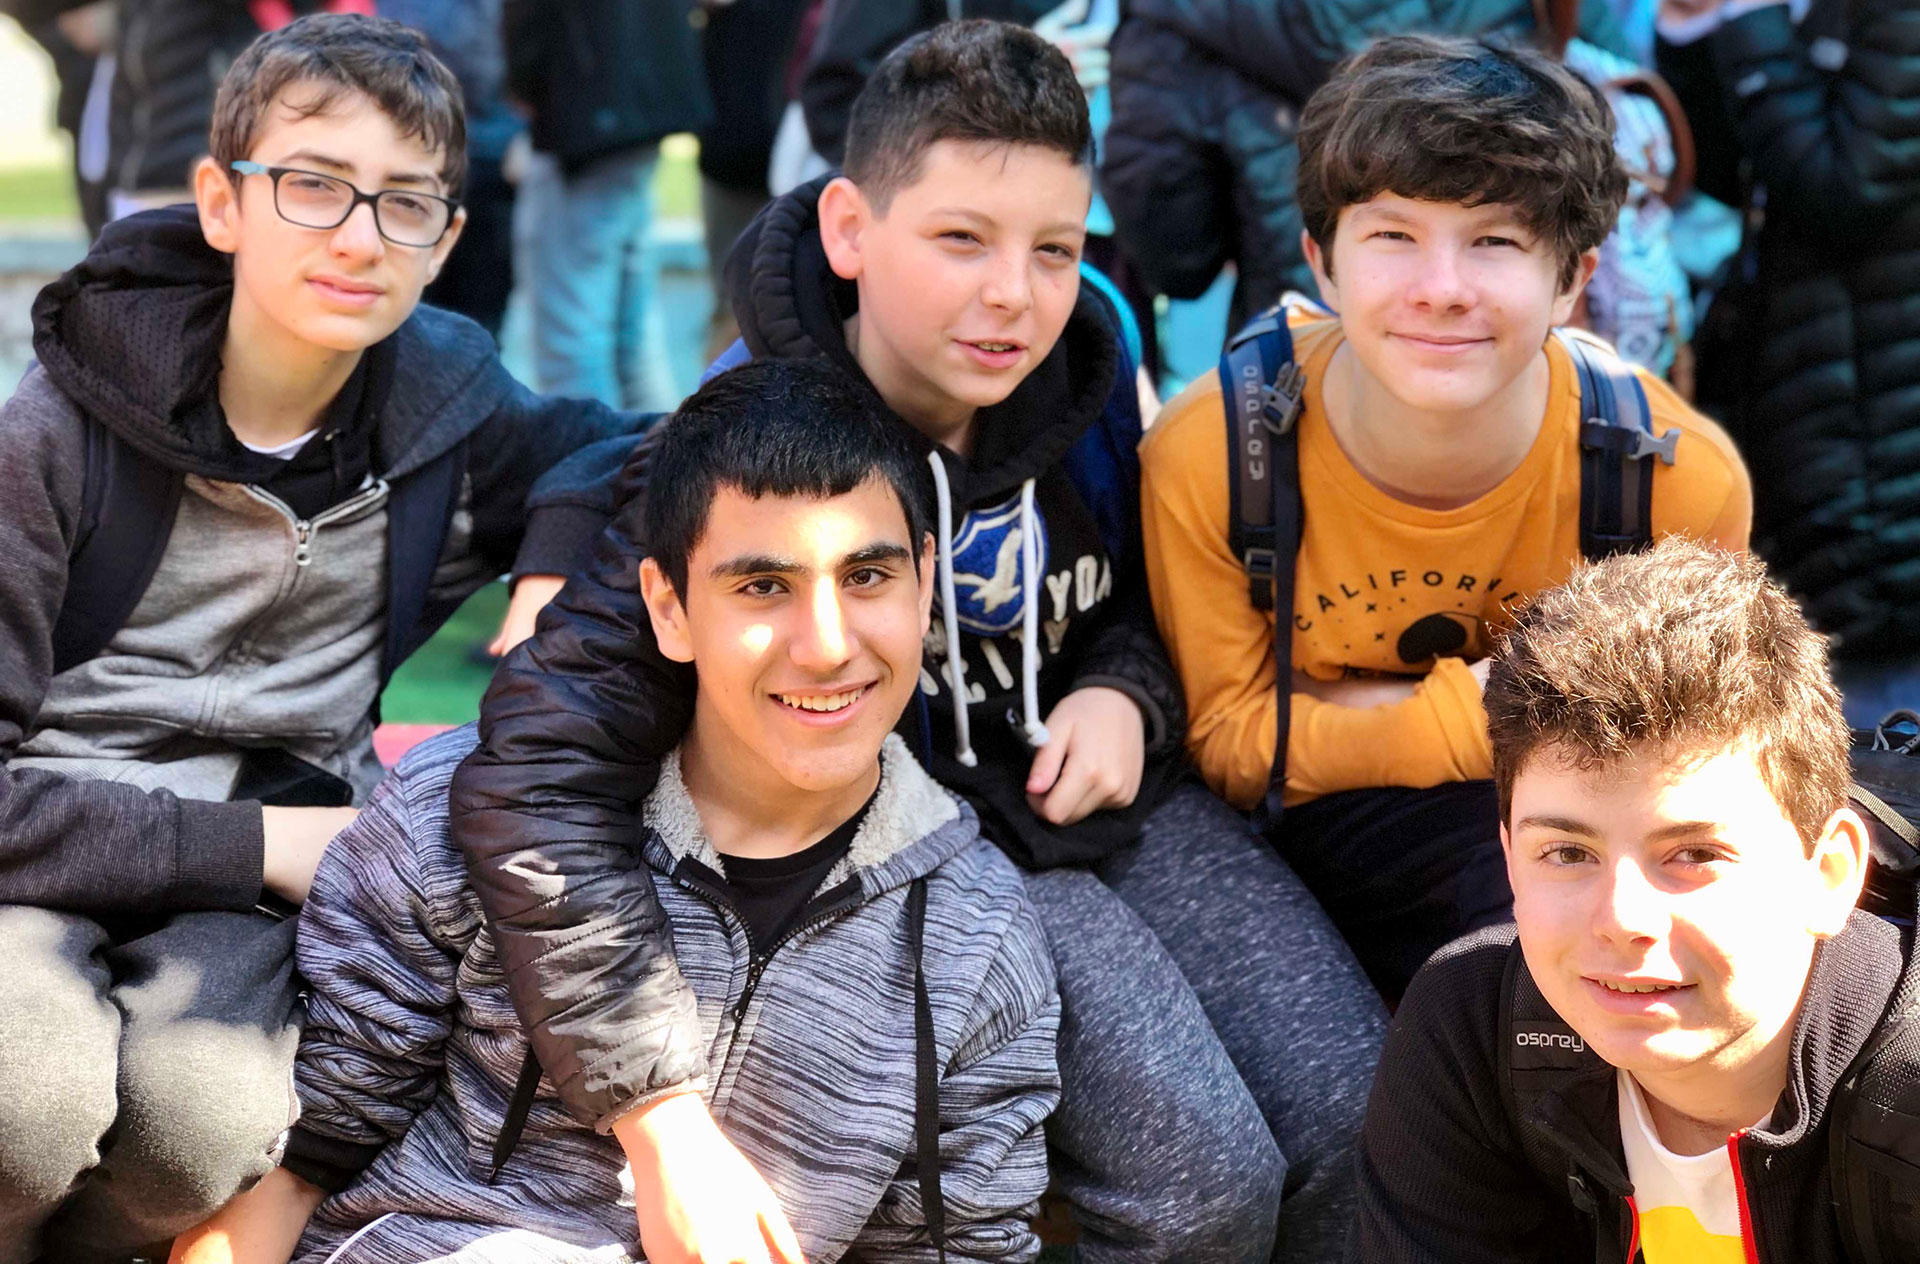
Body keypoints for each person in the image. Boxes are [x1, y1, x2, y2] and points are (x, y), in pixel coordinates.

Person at [455, 20, 1386, 1264]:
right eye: (959, 238)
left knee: (1361, 1117)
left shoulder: (1092, 358)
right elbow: (535, 766)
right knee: (1201, 1186)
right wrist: (656, 1114)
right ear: (850, 229)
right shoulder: (753, 435)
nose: (1012, 292)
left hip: (1118, 797)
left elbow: (1143, 602)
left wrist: (1126, 690)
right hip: (926, 847)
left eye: (1051, 247)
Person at [170, 357, 1060, 1264]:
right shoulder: (452, 813)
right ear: (668, 609)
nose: (827, 646)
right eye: (762, 587)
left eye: (867, 576)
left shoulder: (978, 938)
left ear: (926, 581)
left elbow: (959, 1247)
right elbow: (284, 1168)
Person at [0, 16, 644, 1258]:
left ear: (447, 239)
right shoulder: (55, 435)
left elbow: (639, 443)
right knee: (25, 1107)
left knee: (203, 1128)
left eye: (405, 204)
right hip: (57, 839)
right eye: (311, 185)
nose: (358, 235)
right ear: (222, 202)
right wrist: (268, 843)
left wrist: (554, 548)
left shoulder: (441, 418)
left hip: (257, 869)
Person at [1138, 34, 1752, 1001]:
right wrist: (1493, 710)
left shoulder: (1670, 480)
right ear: (1321, 262)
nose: (1442, 287)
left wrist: (1345, 717)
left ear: (1573, 278)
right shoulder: (1214, 451)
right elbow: (1231, 740)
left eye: (1496, 240)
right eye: (1392, 236)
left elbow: (1673, 763)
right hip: (1303, 847)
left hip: (1554, 848)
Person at [1349, 537, 1907, 1262]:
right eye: (1568, 853)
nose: (1621, 920)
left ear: (1828, 874)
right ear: (1511, 862)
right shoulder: (1471, 1033)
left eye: (1694, 855)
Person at [1654, 0, 1920, 723]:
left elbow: (1847, 184)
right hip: (1814, 401)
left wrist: (1745, 18)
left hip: (1881, 426)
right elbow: (1733, 164)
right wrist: (1692, 30)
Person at [1099, 0, 1631, 332]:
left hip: (1299, 368)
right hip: (1518, 351)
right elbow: (1619, 122)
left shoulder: (1174, 15)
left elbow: (1175, 257)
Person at [504, 0, 712, 412]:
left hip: (591, 110)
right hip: (637, 101)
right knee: (627, 331)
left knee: (576, 335)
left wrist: (527, 81)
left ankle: (598, 467)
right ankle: (649, 463)